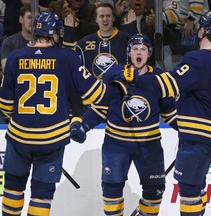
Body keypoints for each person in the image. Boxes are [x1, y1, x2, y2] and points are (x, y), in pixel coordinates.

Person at [117, 11, 211, 215]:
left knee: (188, 188)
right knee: (198, 184)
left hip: (198, 136)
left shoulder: (197, 59)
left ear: (201, 31)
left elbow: (168, 85)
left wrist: (136, 79)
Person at [0, 11, 120, 216]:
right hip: (51, 138)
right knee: (42, 193)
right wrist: (118, 88)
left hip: (19, 136)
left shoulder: (15, 57)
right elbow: (95, 94)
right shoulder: (66, 57)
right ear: (53, 33)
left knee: (12, 186)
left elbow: (5, 105)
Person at [70, 34, 178, 216]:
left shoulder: (160, 77)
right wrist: (83, 124)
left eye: (143, 49)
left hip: (149, 144)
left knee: (155, 192)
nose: (139, 52)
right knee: (111, 192)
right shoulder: (114, 73)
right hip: (116, 143)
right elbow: (100, 107)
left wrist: (188, 129)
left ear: (149, 53)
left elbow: (169, 111)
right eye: (135, 48)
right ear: (128, 53)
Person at [1, 3, 32, 72]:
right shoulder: (9, 42)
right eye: (29, 17)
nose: (33, 21)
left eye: (36, 17)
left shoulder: (45, 42)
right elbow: (6, 69)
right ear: (21, 19)